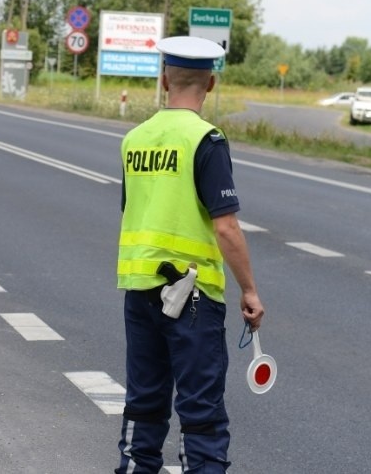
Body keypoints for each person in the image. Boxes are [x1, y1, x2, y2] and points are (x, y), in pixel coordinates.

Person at [115, 36, 265, 474]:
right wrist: (250, 290)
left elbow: (134, 210)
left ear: (164, 79)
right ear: (211, 84)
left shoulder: (134, 139)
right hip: (193, 297)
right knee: (200, 413)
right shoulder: (206, 140)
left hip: (140, 292)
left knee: (143, 402)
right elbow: (226, 226)